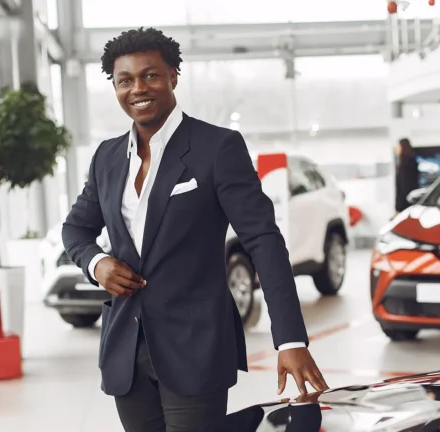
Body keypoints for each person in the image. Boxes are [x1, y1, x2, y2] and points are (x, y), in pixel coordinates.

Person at [61, 27, 328, 432]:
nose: (138, 88)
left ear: (173, 76)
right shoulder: (107, 157)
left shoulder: (217, 147)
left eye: (150, 75)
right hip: (126, 351)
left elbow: (263, 241)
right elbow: (76, 229)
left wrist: (290, 339)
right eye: (124, 80)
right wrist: (96, 263)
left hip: (196, 346)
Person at [394, 138, 420, 214]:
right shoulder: (409, 162)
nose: (396, 150)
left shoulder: (406, 164)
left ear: (402, 148)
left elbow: (405, 187)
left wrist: (399, 208)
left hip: (406, 206)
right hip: (408, 204)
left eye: (398, 147)